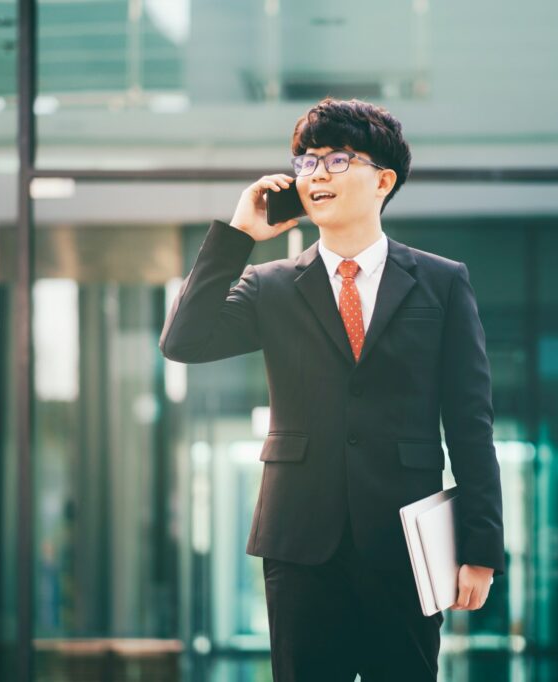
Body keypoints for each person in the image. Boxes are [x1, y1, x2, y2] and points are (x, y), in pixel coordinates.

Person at [159, 98, 504, 681]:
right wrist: (240, 234)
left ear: (383, 180)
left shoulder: (442, 283)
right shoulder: (270, 285)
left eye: (338, 159)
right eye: (306, 161)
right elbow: (182, 341)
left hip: (405, 541)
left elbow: (471, 423)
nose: (316, 174)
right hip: (299, 545)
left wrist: (481, 550)